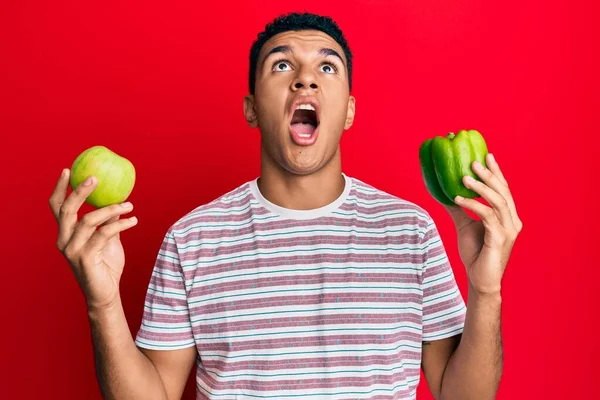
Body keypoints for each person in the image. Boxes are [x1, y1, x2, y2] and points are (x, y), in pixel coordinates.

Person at [49, 12, 523, 400]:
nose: (304, 81)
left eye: (327, 67)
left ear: (350, 109)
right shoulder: (192, 238)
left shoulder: (410, 231)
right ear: (252, 108)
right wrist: (102, 302)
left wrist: (486, 289)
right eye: (281, 66)